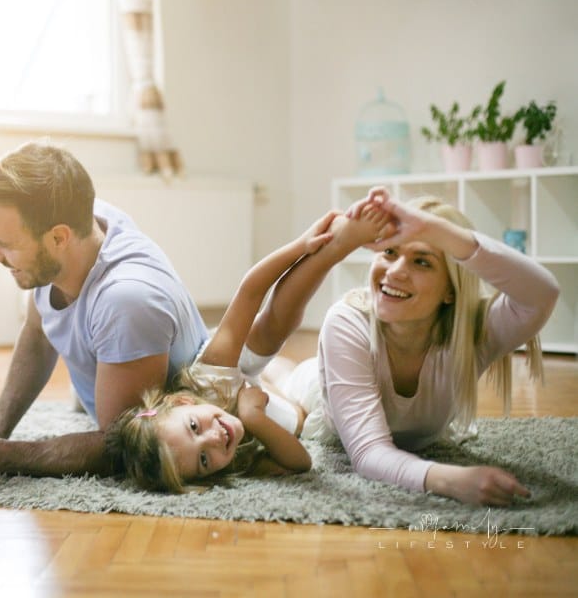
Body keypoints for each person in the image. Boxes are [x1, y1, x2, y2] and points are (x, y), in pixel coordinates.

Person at [0, 140, 210, 476]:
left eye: (4, 245)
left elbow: (117, 447)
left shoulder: (127, 302)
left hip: (182, 424)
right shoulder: (80, 222)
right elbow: (38, 333)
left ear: (59, 238)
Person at [285, 187, 560, 506]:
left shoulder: (474, 331)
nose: (396, 271)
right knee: (287, 384)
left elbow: (543, 294)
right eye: (390, 252)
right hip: (318, 394)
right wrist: (453, 480)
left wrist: (437, 230)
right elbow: (368, 452)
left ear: (451, 291)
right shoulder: (346, 322)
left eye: (422, 262)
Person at [104, 205, 393, 492]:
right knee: (309, 390)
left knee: (272, 326)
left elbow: (250, 292)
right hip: (299, 409)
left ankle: (333, 247)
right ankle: (278, 375)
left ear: (184, 403)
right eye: (203, 459)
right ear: (206, 475)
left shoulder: (206, 384)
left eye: (194, 427)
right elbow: (301, 462)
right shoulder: (234, 462)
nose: (213, 438)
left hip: (248, 385)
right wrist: (253, 419)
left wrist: (301, 246)